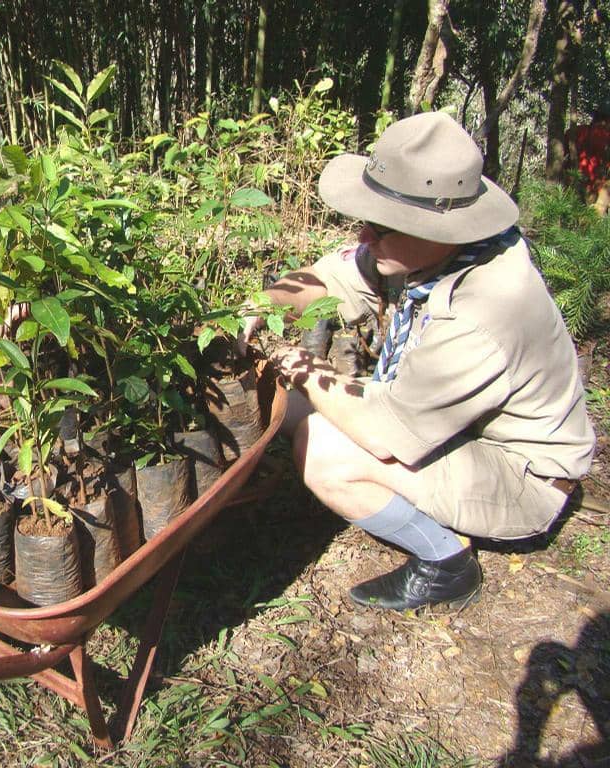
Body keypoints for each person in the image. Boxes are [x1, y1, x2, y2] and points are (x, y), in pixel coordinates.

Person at [239, 111, 595, 611]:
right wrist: (267, 304)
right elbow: (326, 280)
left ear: (438, 226)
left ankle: (446, 562)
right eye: (366, 221)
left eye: (381, 227)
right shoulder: (430, 252)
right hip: (455, 426)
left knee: (322, 448)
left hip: (520, 475)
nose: (365, 237)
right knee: (285, 403)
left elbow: (386, 436)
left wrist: (291, 359)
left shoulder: (486, 308)